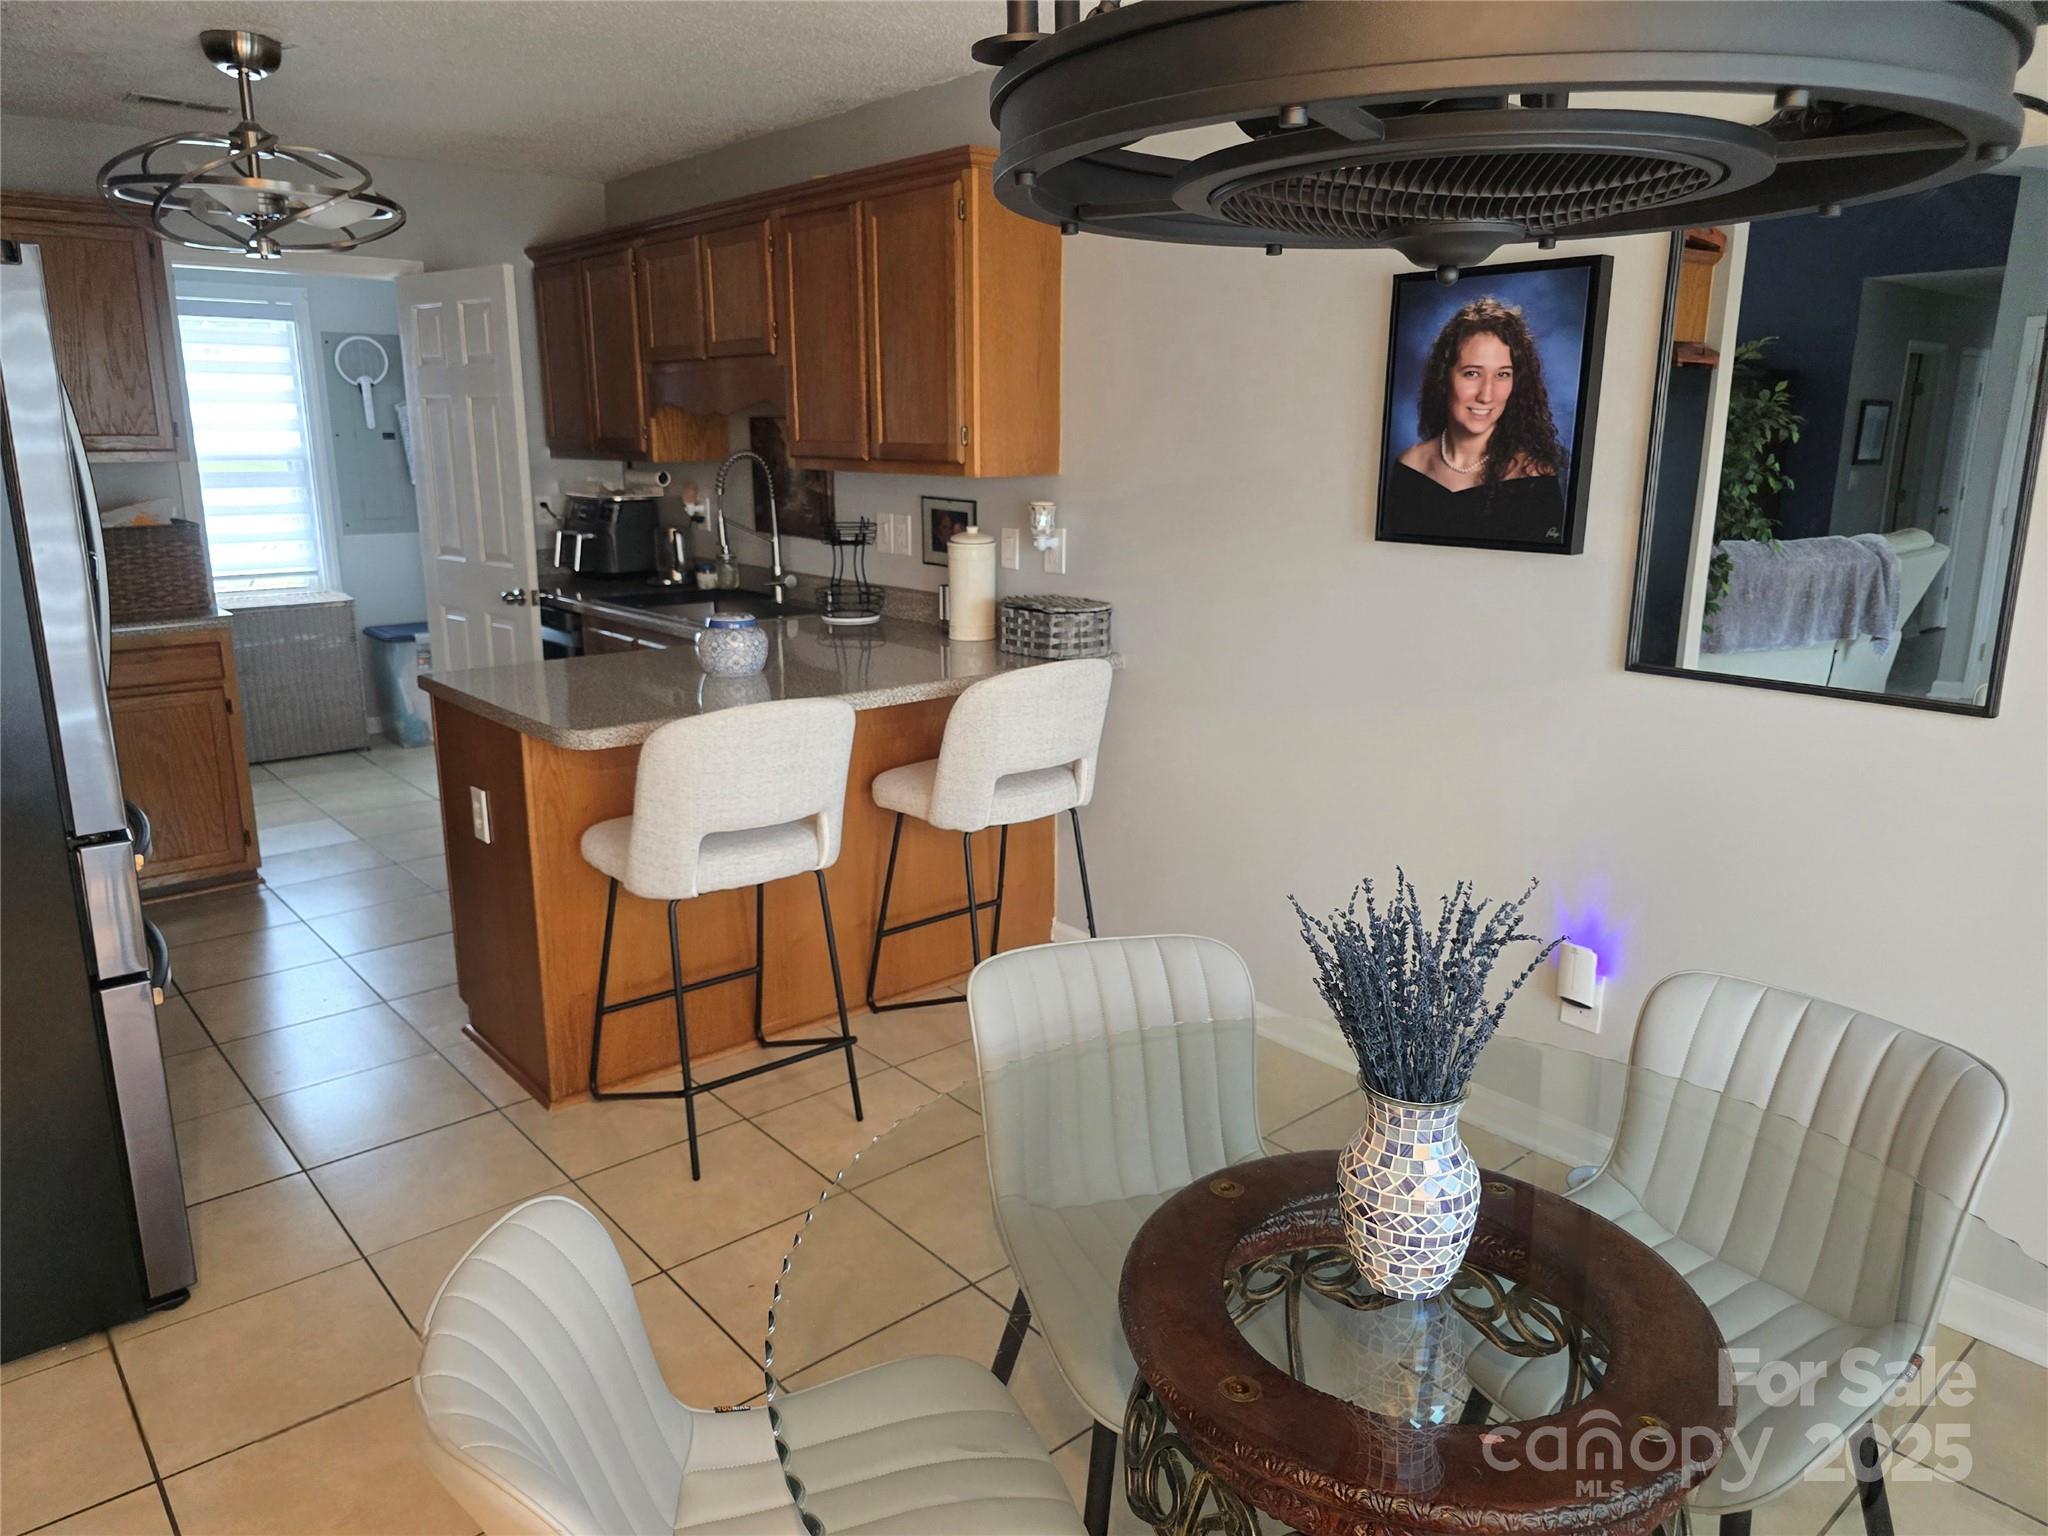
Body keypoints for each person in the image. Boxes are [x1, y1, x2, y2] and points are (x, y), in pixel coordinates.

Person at [1384, 295, 1569, 547]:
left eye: (1502, 375)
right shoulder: (1409, 466)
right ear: (1444, 378)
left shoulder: (1535, 475)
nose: (1486, 395)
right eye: (1472, 373)